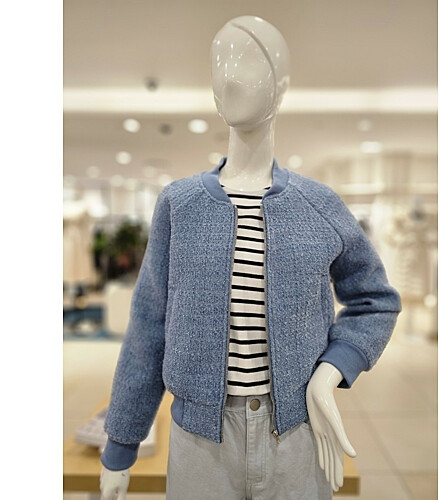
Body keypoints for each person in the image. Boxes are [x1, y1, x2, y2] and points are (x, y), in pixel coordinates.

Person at [100, 16, 401, 499]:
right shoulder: (180, 204)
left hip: (296, 433)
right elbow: (149, 325)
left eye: (250, 61)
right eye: (219, 64)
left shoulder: (318, 205)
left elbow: (375, 300)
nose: (230, 76)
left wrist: (331, 370)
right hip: (199, 442)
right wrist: (121, 443)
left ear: (281, 85)